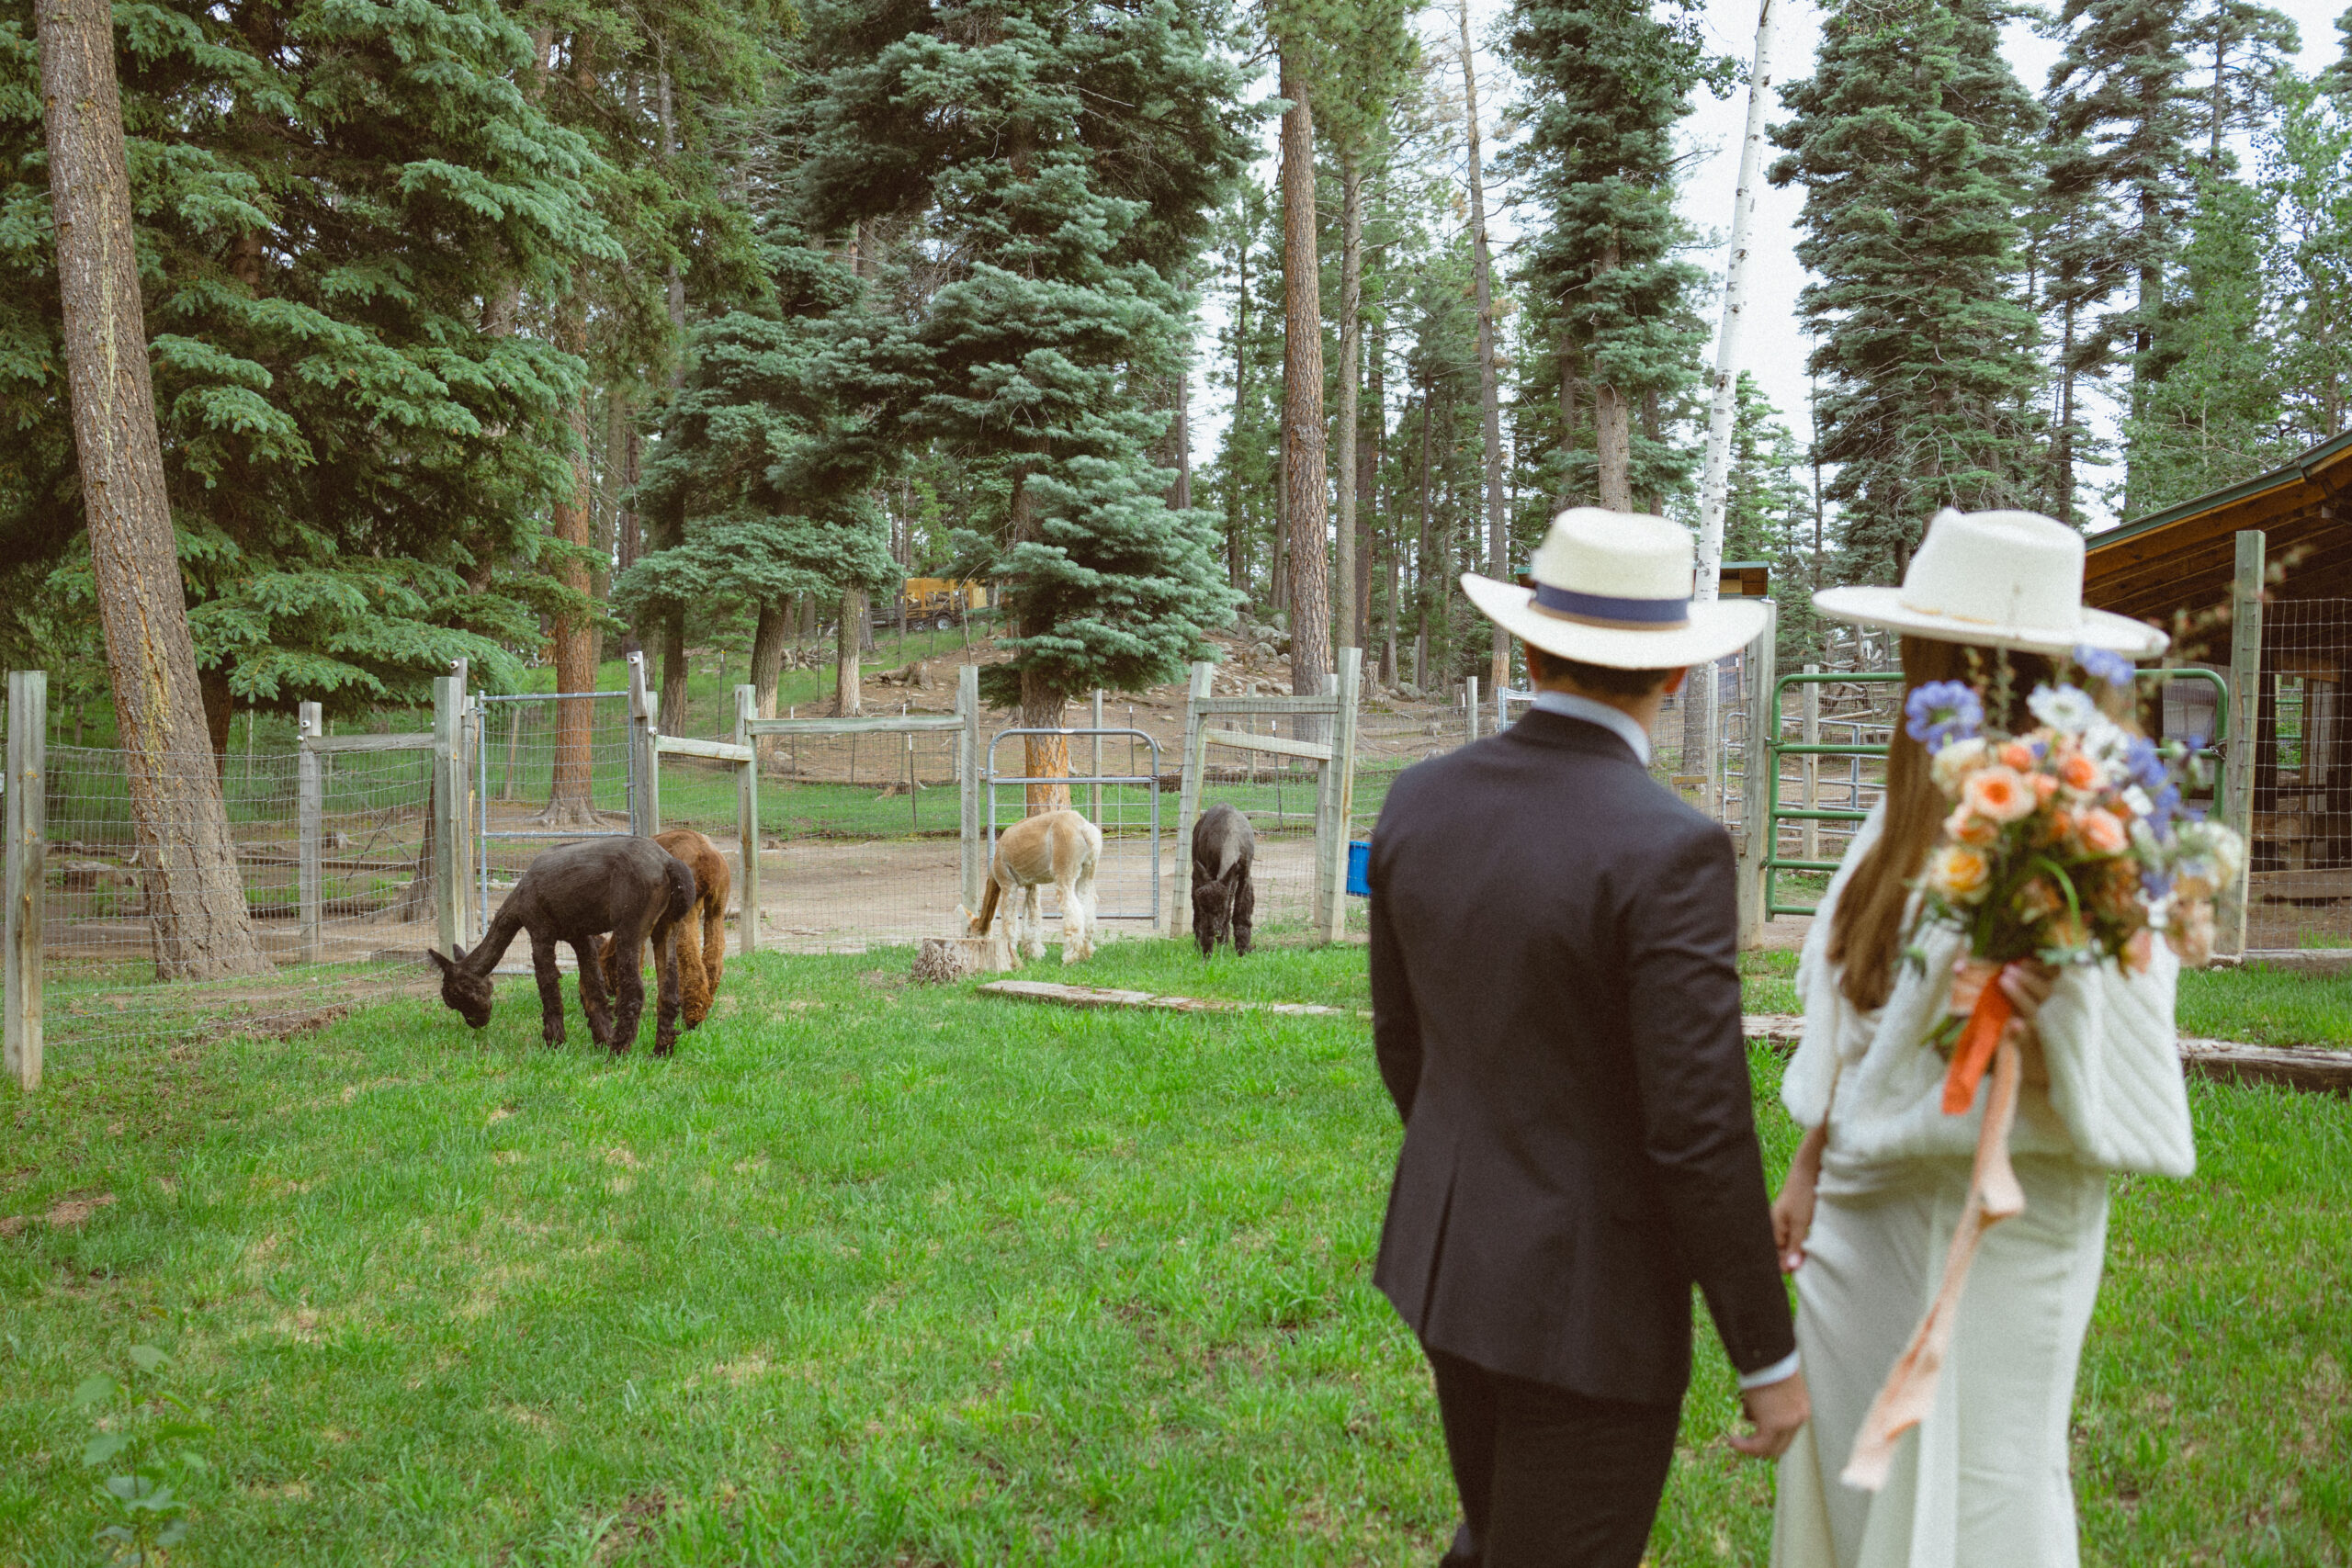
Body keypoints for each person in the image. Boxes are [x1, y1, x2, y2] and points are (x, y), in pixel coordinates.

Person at [1368, 508, 1809, 1568]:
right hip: (1589, 1310)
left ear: (1526, 647)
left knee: (1503, 1535)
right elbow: (1696, 1130)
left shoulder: (1419, 800)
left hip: (1451, 1265)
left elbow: (1402, 1043)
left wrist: (1481, 1183)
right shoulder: (1672, 849)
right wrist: (1766, 1356)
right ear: (1676, 677)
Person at [1770, 509, 2199, 1568]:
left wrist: (2037, 991)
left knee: (1989, 1479)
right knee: (1852, 1470)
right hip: (1859, 1217)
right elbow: (1851, 1009)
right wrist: (1807, 1167)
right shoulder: (1908, 799)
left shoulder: (2093, 816)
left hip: (2008, 1213)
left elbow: (2126, 1006)